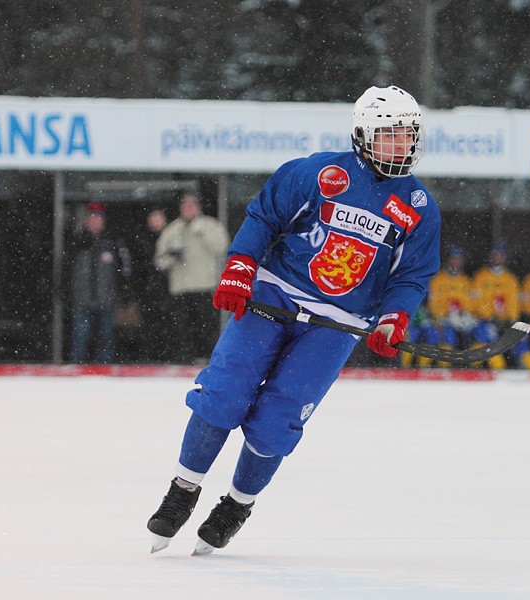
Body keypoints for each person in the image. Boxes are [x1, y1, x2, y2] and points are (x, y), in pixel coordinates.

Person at [146, 85, 441, 554]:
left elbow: (412, 275)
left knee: (280, 418)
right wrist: (241, 268)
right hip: (273, 297)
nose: (401, 145)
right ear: (364, 137)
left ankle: (236, 505)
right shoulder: (318, 173)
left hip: (336, 322)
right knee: (225, 391)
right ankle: (182, 490)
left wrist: (393, 319)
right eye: (390, 135)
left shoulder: (419, 207)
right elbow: (264, 218)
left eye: (407, 136)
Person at [154, 193, 230, 363]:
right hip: (180, 287)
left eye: (192, 205)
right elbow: (159, 260)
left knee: (205, 325)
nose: (188, 209)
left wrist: (200, 232)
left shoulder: (210, 225)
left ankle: (206, 358)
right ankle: (183, 358)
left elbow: (221, 248)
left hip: (204, 285)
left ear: (198, 207)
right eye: (185, 205)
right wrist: (172, 258)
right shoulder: (172, 230)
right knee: (181, 327)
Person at [68, 202, 132, 364]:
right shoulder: (77, 241)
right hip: (82, 299)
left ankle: (105, 369)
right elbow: (66, 269)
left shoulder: (113, 242)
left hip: (106, 299)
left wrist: (124, 292)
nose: (94, 221)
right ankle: (77, 368)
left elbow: (124, 270)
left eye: (98, 218)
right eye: (91, 218)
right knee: (80, 337)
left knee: (106, 337)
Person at [470, 242, 523, 369]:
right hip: (485, 321)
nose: (497, 257)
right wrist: (489, 317)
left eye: (500, 255)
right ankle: (471, 369)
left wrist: (510, 320)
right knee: (486, 338)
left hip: (505, 322)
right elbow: (476, 301)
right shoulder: (481, 276)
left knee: (521, 341)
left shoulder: (510, 279)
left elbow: (513, 303)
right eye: (495, 254)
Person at [426, 245, 475, 366]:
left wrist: (465, 315)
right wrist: (443, 316)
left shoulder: (465, 281)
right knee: (442, 336)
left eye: (459, 259)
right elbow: (433, 304)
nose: (456, 262)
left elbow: (471, 304)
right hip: (441, 321)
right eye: (453, 258)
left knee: (477, 337)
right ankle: (427, 369)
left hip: (461, 321)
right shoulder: (438, 280)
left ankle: (470, 370)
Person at [134, 209, 171, 362]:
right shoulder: (142, 240)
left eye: (159, 218)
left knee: (167, 324)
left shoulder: (171, 237)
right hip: (147, 291)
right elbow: (139, 267)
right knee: (149, 325)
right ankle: (148, 357)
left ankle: (167, 356)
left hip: (168, 290)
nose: (156, 222)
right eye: (153, 219)